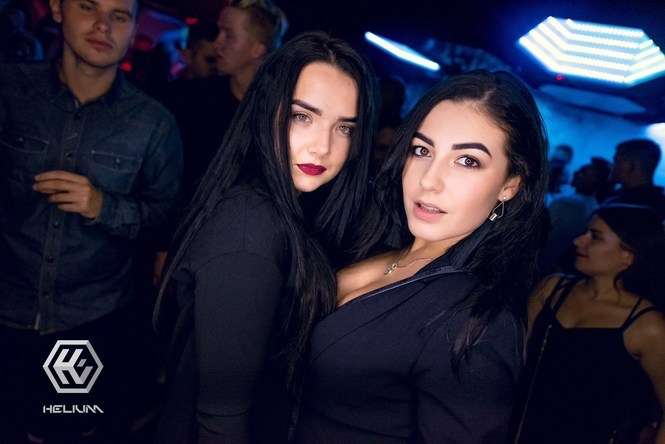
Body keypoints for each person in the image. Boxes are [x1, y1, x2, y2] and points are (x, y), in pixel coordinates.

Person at [295, 70, 548, 443]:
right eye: (422, 150)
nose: (429, 180)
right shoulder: (369, 242)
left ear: (510, 185)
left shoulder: (478, 322)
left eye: (467, 161)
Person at [152, 31, 377, 444]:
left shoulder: (283, 210)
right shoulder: (248, 228)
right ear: (266, 110)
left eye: (344, 128)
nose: (323, 147)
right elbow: (221, 421)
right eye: (302, 117)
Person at [0, 0, 183, 442]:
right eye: (88, 6)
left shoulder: (153, 124)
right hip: (6, 306)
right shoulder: (10, 92)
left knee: (65, 430)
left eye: (120, 16)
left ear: (134, 28)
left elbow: (167, 220)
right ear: (58, 9)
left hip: (89, 322)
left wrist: (104, 206)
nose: (103, 25)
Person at [517, 204, 665, 444]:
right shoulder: (552, 289)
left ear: (628, 255)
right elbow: (514, 360)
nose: (578, 241)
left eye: (594, 237)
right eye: (585, 232)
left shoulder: (646, 325)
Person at [160, 0, 288, 201]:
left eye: (228, 35)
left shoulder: (279, 116)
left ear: (257, 49)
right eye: (218, 32)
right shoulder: (192, 98)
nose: (217, 43)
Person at [540, 157, 611, 274]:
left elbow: (540, 232)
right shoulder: (594, 205)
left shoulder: (569, 204)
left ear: (595, 181)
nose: (576, 173)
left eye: (583, 172)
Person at [605, 138, 665, 221]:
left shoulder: (622, 207)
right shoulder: (659, 204)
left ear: (628, 166)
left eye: (616, 161)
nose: (612, 166)